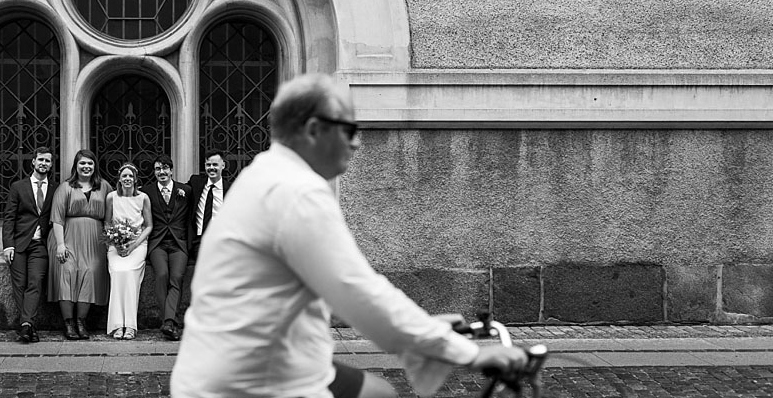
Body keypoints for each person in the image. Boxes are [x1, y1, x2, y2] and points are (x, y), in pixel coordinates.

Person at [170, 73, 528, 398]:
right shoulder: (297, 192)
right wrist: (467, 353)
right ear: (313, 129)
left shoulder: (265, 173)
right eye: (350, 129)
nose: (357, 142)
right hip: (247, 383)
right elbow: (359, 292)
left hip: (253, 363)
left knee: (379, 394)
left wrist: (424, 329)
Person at [47, 149, 112, 340]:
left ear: (95, 166)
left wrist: (110, 242)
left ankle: (81, 321)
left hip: (94, 241)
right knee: (67, 272)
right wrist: (60, 245)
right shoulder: (65, 187)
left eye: (90, 163)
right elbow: (57, 218)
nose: (86, 167)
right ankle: (68, 323)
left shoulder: (105, 187)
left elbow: (109, 217)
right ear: (76, 166)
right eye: (82, 163)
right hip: (66, 238)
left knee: (90, 273)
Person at [1, 147, 58, 344]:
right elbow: (9, 218)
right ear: (33, 162)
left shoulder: (55, 189)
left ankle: (25, 325)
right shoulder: (18, 187)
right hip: (19, 243)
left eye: (47, 161)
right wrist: (8, 245)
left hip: (41, 245)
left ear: (51, 165)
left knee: (35, 282)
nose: (43, 163)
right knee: (20, 285)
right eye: (40, 159)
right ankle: (28, 325)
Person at [143, 154, 193, 341]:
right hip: (158, 243)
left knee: (177, 277)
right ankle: (170, 320)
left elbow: (190, 218)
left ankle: (168, 322)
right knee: (162, 274)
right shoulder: (146, 192)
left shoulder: (185, 190)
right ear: (154, 172)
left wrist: (189, 243)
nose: (161, 172)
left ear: (171, 170)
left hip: (179, 243)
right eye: (157, 169)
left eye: (165, 168)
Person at [104, 162, 152, 340]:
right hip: (116, 245)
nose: (127, 179)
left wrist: (133, 244)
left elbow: (149, 226)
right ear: (119, 179)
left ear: (135, 179)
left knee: (130, 272)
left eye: (130, 176)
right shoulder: (111, 197)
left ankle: (130, 326)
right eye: (124, 176)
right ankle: (117, 325)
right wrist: (115, 242)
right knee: (118, 271)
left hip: (138, 244)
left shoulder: (143, 198)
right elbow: (107, 223)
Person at [188, 148, 233, 259]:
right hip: (199, 240)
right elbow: (177, 189)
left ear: (223, 165)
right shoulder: (196, 183)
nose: (211, 168)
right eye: (208, 165)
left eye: (215, 165)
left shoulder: (231, 189)